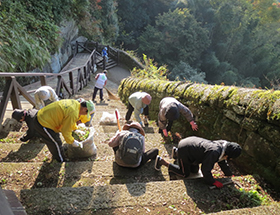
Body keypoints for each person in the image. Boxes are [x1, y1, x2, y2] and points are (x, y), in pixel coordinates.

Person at [12, 99, 95, 162]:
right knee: (55, 142)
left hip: (45, 116)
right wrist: (72, 141)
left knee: (56, 139)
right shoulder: (73, 112)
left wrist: (75, 129)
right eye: (86, 113)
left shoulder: (75, 103)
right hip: (43, 123)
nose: (84, 115)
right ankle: (61, 160)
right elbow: (66, 131)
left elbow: (68, 121)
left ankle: (60, 156)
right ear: (84, 109)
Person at [154, 136, 242, 188]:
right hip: (185, 149)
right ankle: (162, 161)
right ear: (227, 155)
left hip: (192, 145)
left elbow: (222, 161)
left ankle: (177, 152)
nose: (227, 159)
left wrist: (228, 174)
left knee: (195, 171)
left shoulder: (223, 146)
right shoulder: (215, 152)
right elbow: (205, 169)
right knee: (185, 174)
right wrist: (212, 181)